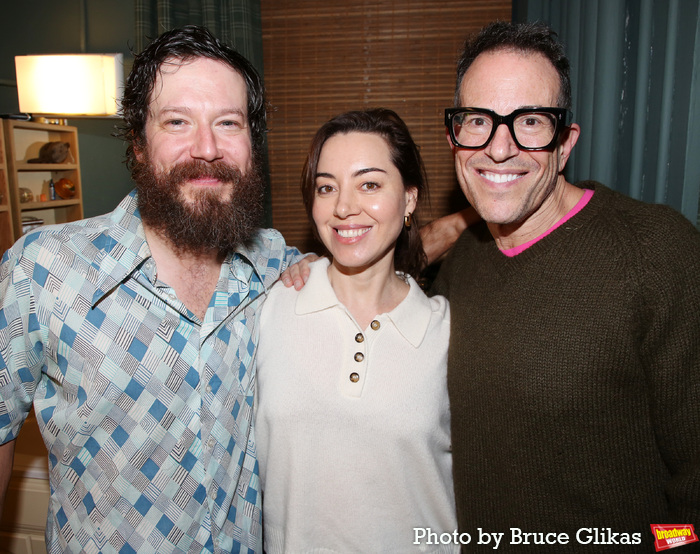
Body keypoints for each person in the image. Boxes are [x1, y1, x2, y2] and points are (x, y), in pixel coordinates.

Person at [0, 25, 304, 553]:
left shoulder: (275, 263)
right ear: (139, 144)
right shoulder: (42, 272)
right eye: (177, 121)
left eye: (227, 123)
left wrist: (446, 228)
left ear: (252, 144)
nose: (207, 148)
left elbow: (363, 269)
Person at [429, 21, 700, 551]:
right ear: (454, 139)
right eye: (478, 121)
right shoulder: (458, 268)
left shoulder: (657, 251)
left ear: (565, 141)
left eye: (529, 121)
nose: (499, 148)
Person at [255, 109, 457, 553]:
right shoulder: (269, 308)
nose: (344, 207)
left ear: (408, 199)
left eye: (369, 184)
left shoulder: (448, 333)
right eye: (327, 187)